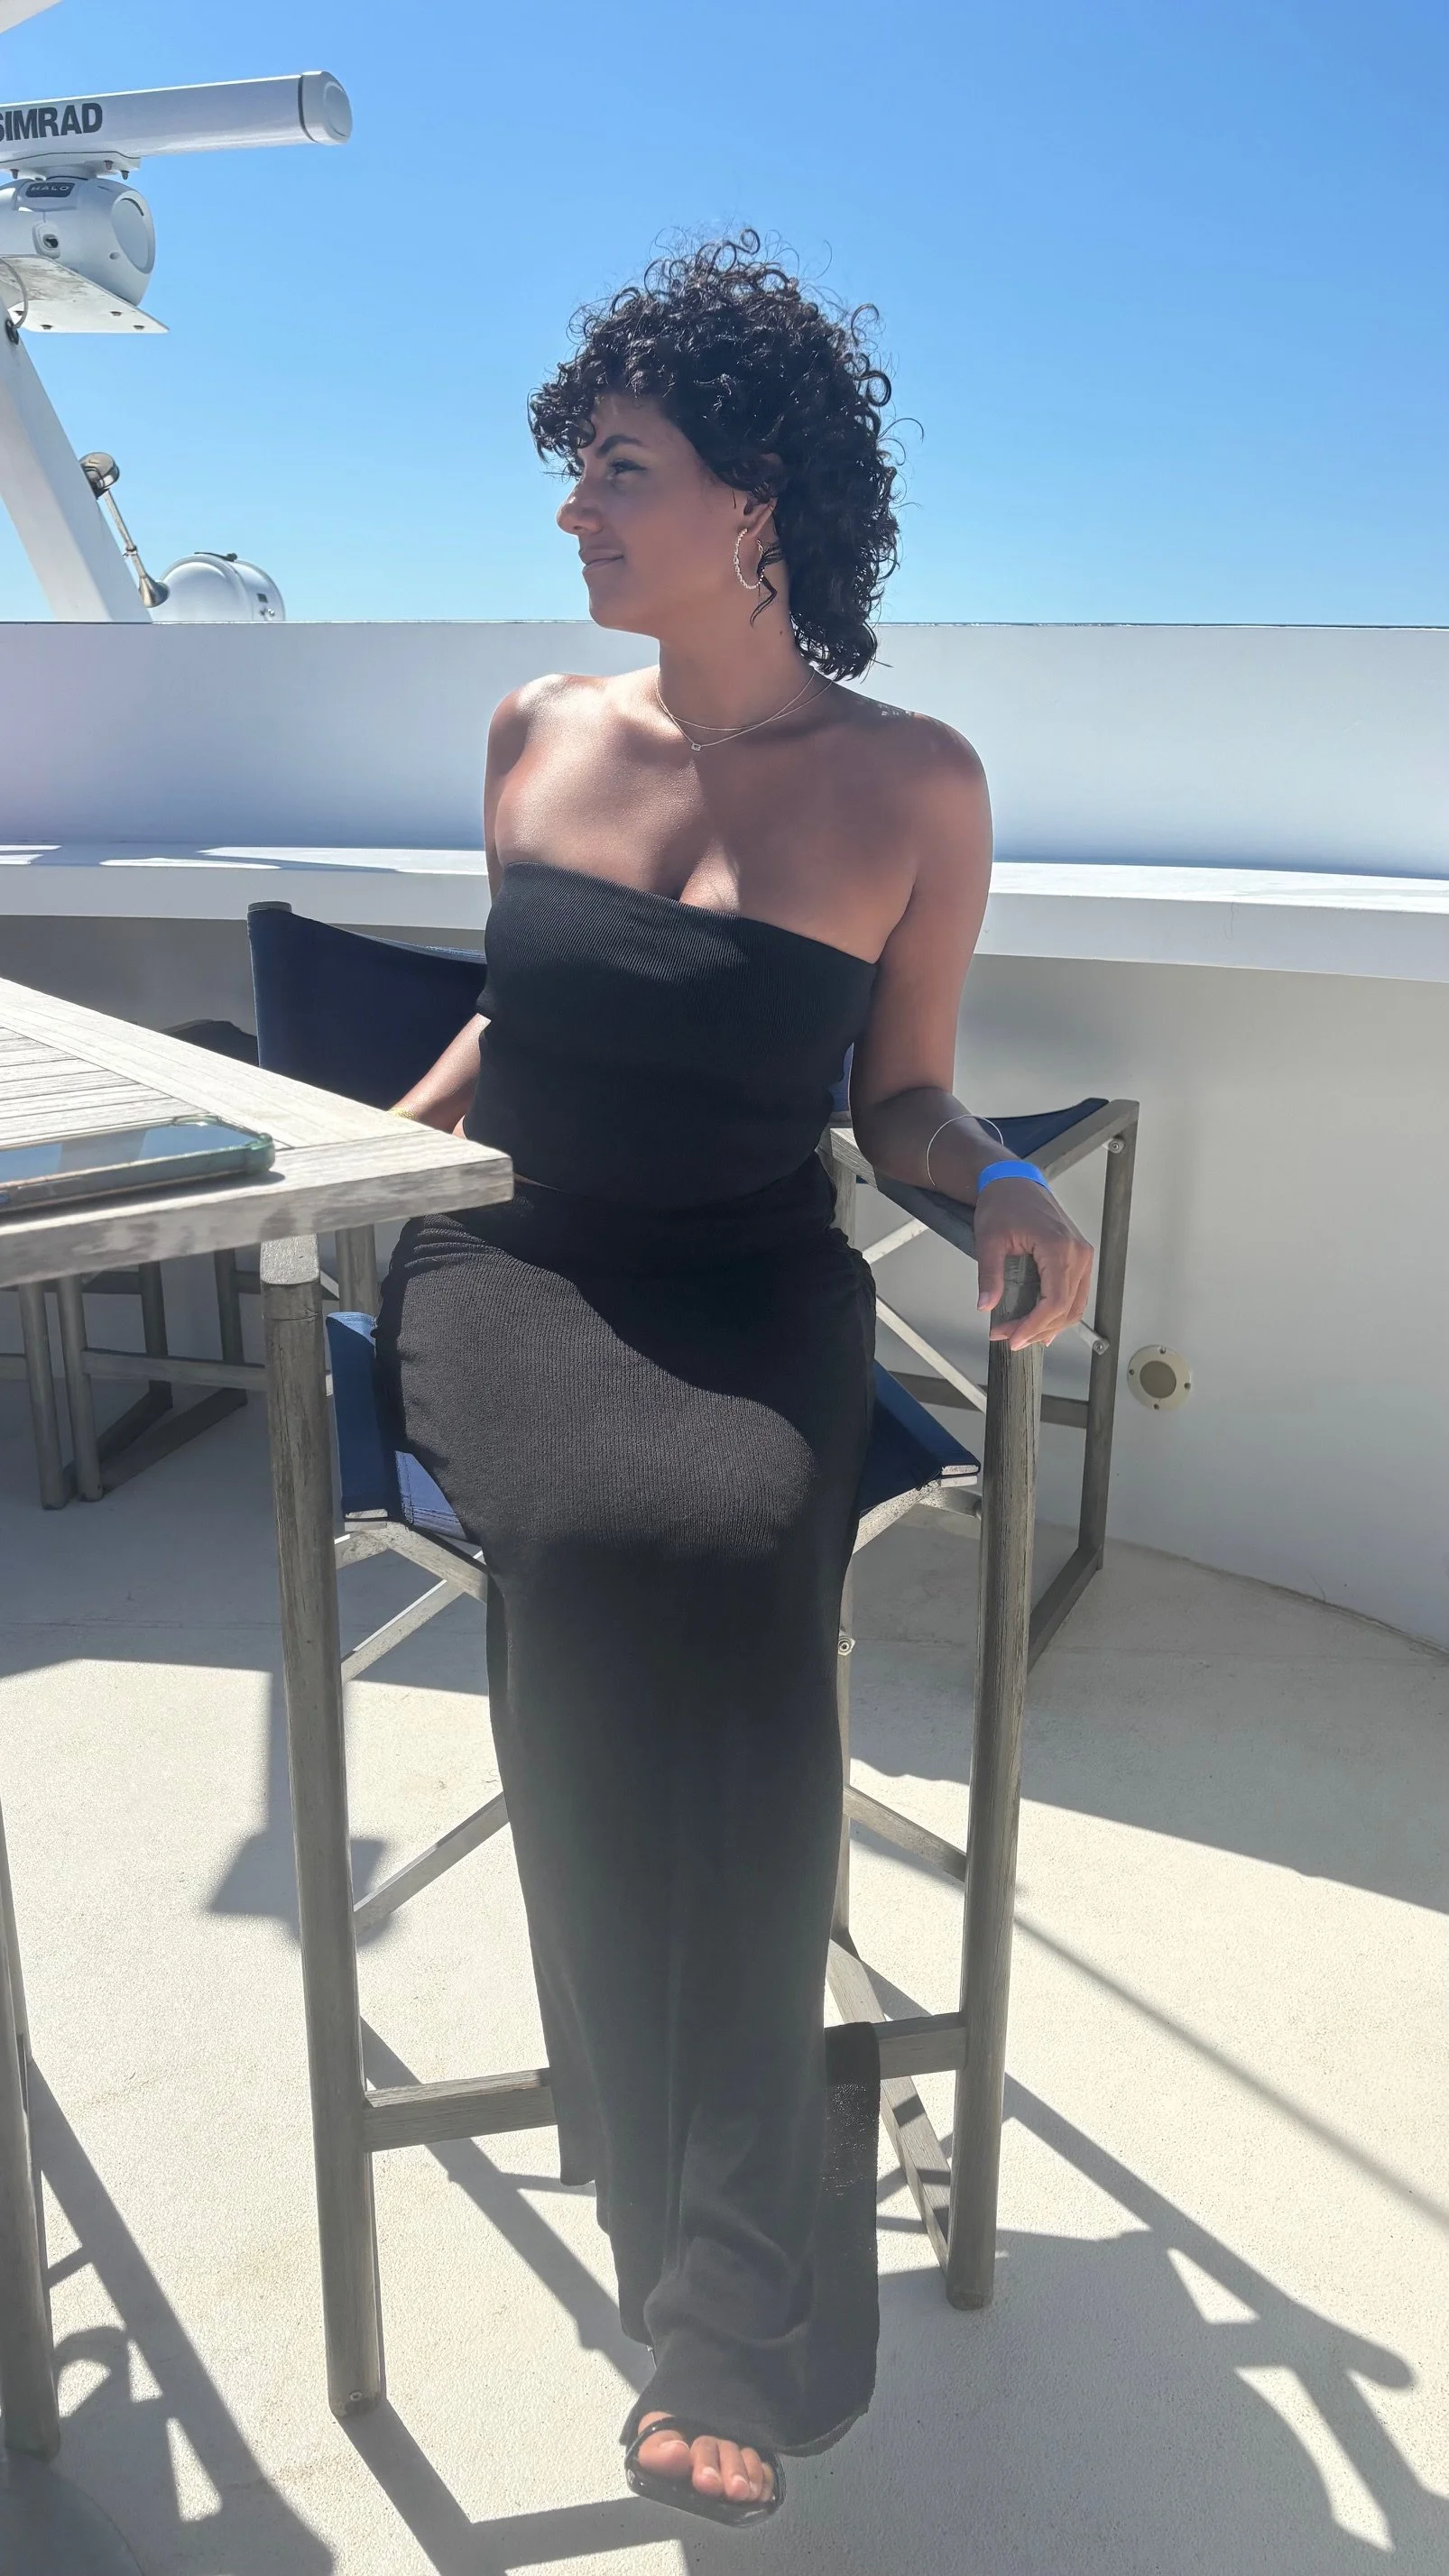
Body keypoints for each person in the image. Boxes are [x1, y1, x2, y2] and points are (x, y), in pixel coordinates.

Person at [378, 233, 1093, 2528]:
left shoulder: (911, 785)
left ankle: (713, 2230)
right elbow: (522, 1022)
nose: (572, 513)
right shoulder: (532, 735)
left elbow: (895, 1099)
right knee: (625, 1555)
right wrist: (363, 1166)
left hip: (751, 1279)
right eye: (574, 469)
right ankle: (719, 2250)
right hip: (521, 1265)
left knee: (720, 1586)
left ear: (755, 499)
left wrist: (992, 1180)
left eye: (616, 470)